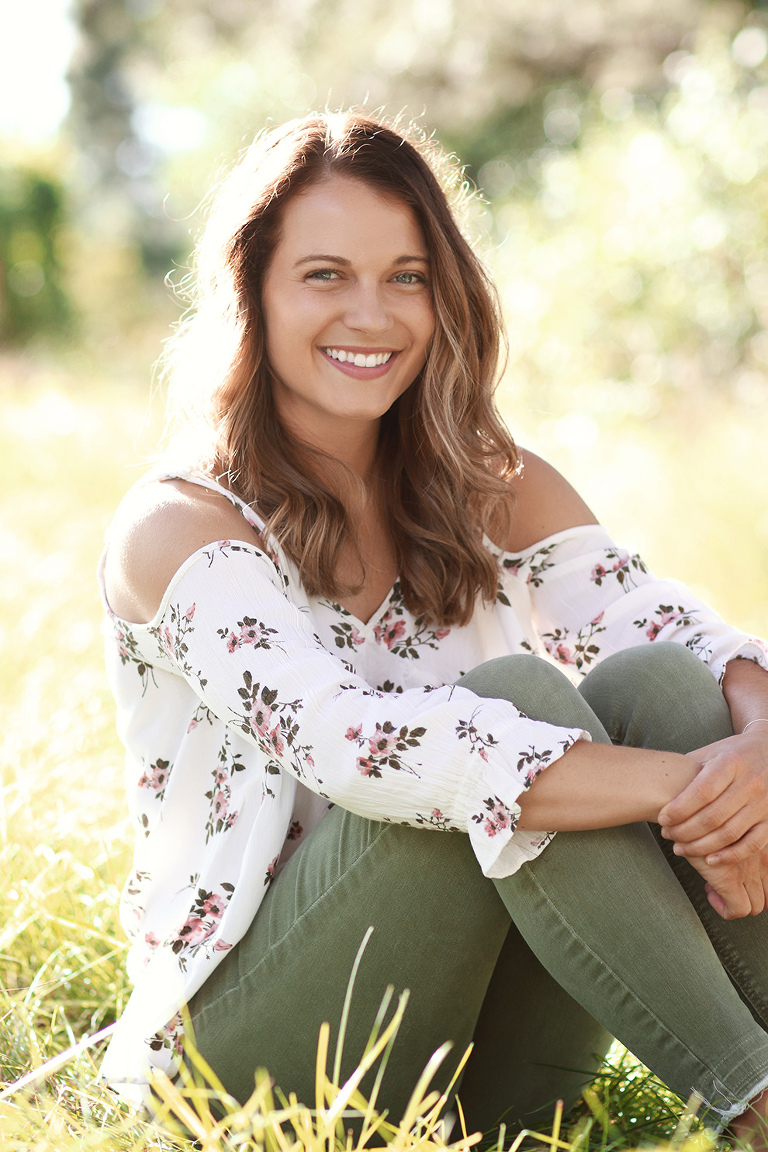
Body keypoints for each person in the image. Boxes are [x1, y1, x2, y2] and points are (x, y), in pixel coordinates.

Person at [99, 110, 768, 1142]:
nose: (371, 315)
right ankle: (752, 1097)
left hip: (490, 1064)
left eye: (406, 276)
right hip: (255, 1069)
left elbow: (664, 624)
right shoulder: (180, 527)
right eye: (325, 275)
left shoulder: (491, 485)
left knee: (665, 687)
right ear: (253, 293)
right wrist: (697, 793)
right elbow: (353, 747)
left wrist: (758, 749)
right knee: (515, 708)